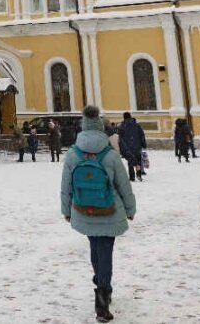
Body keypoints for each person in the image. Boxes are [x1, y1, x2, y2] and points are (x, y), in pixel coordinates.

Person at [60, 106, 136, 323]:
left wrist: (66, 210)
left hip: (84, 210)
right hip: (109, 209)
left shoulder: (73, 154)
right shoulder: (110, 154)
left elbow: (66, 185)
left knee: (95, 247)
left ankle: (101, 281)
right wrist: (130, 209)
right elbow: (123, 185)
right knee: (105, 252)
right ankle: (103, 295)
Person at [118, 113, 146, 181]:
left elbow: (120, 138)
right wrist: (143, 144)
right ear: (130, 117)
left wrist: (121, 148)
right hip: (137, 146)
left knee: (130, 161)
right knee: (138, 161)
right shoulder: (137, 125)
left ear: (124, 117)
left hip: (127, 147)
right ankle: (139, 174)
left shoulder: (121, 126)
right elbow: (142, 135)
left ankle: (132, 176)